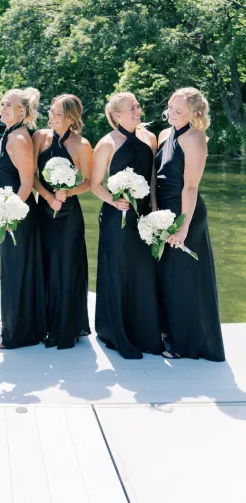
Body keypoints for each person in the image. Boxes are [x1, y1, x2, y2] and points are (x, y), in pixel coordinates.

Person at [91, 92, 163, 359]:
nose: (138, 111)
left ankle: (144, 333)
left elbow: (152, 178)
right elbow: (95, 184)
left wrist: (154, 211)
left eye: (138, 106)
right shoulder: (106, 143)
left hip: (144, 217)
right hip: (117, 219)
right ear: (116, 114)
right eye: (132, 108)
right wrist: (114, 200)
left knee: (143, 273)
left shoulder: (150, 138)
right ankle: (116, 332)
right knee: (119, 272)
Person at [156, 88, 225, 361]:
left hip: (186, 213)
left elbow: (191, 186)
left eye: (178, 110)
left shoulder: (195, 138)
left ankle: (186, 344)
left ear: (194, 113)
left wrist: (183, 227)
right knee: (168, 276)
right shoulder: (165, 134)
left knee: (185, 279)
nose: (171, 113)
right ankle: (169, 333)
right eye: (170, 107)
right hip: (163, 213)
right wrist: (155, 213)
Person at [33, 94, 93, 349]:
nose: (52, 116)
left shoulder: (82, 145)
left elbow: (89, 182)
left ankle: (67, 325)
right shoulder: (39, 137)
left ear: (71, 118)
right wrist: (48, 197)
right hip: (43, 210)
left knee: (66, 267)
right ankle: (43, 323)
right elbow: (31, 176)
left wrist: (67, 192)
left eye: (59, 113)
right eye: (51, 111)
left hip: (68, 214)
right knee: (44, 265)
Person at [0, 88, 45, 349]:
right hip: (9, 212)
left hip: (18, 217)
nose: (2, 109)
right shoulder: (9, 133)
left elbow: (26, 184)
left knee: (16, 272)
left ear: (21, 111)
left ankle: (18, 334)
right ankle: (14, 328)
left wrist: (6, 215)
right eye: (1, 104)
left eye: (8, 105)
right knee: (12, 271)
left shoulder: (19, 138)